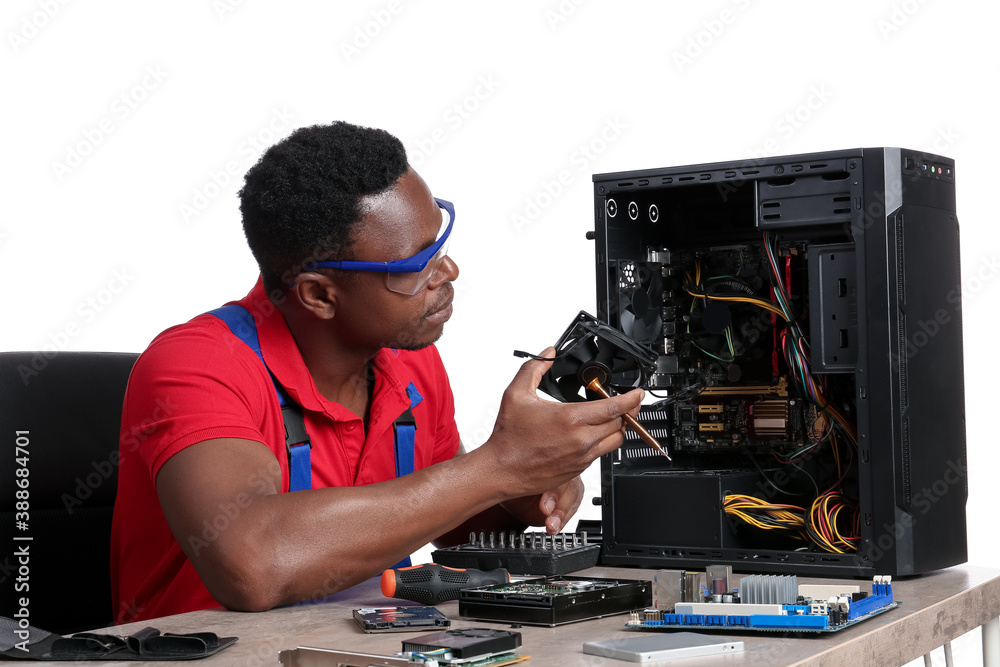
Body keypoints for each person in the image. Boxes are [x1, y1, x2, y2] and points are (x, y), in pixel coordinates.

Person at [110, 121, 643, 624]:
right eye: (416, 265)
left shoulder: (406, 361)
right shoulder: (197, 367)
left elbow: (446, 512)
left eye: (442, 242)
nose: (449, 271)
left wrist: (522, 490)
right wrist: (496, 468)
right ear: (319, 294)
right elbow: (252, 564)